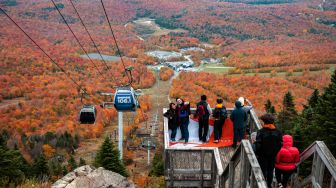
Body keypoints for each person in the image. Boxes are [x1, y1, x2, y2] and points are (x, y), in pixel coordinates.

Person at [255, 113, 282, 188]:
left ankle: (262, 185)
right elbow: (280, 144)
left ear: (264, 121)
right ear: (273, 122)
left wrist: (257, 153)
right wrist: (275, 152)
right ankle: (269, 185)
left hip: (262, 155)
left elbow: (258, 145)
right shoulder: (278, 132)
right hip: (272, 156)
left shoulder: (261, 131)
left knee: (263, 170)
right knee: (270, 171)